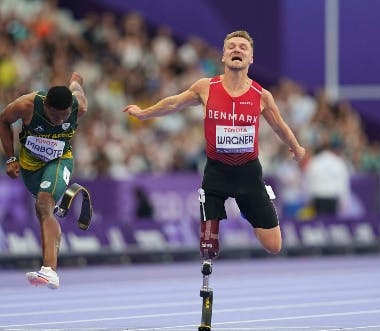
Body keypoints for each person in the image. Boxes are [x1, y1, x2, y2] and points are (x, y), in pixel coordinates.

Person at [123, 30, 306, 263]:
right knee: (208, 247)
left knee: (274, 245)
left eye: (243, 47)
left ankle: (250, 208)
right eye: (231, 46)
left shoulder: (261, 95)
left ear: (251, 58)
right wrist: (143, 113)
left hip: (248, 174)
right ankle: (217, 222)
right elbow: (174, 103)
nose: (236, 50)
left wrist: (297, 147)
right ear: (223, 56)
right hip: (216, 173)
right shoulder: (206, 87)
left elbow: (280, 126)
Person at [0, 72, 88, 289]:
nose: (60, 121)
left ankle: (49, 270)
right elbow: (3, 121)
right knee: (42, 211)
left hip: (59, 161)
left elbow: (77, 91)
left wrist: (76, 82)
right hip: (30, 168)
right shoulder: (27, 105)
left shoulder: (79, 107)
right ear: (45, 106)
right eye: (55, 116)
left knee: (44, 204)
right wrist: (10, 157)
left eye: (64, 116)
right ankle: (49, 266)